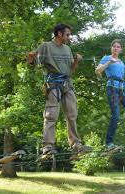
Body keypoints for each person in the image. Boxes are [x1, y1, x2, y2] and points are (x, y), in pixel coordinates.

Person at [27, 23, 92, 155]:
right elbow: (31, 63)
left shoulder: (67, 49)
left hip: (67, 84)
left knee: (72, 114)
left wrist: (76, 61)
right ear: (59, 34)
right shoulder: (46, 46)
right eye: (67, 34)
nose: (69, 37)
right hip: (53, 83)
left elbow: (71, 70)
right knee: (51, 114)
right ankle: (48, 146)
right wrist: (30, 57)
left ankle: (75, 144)